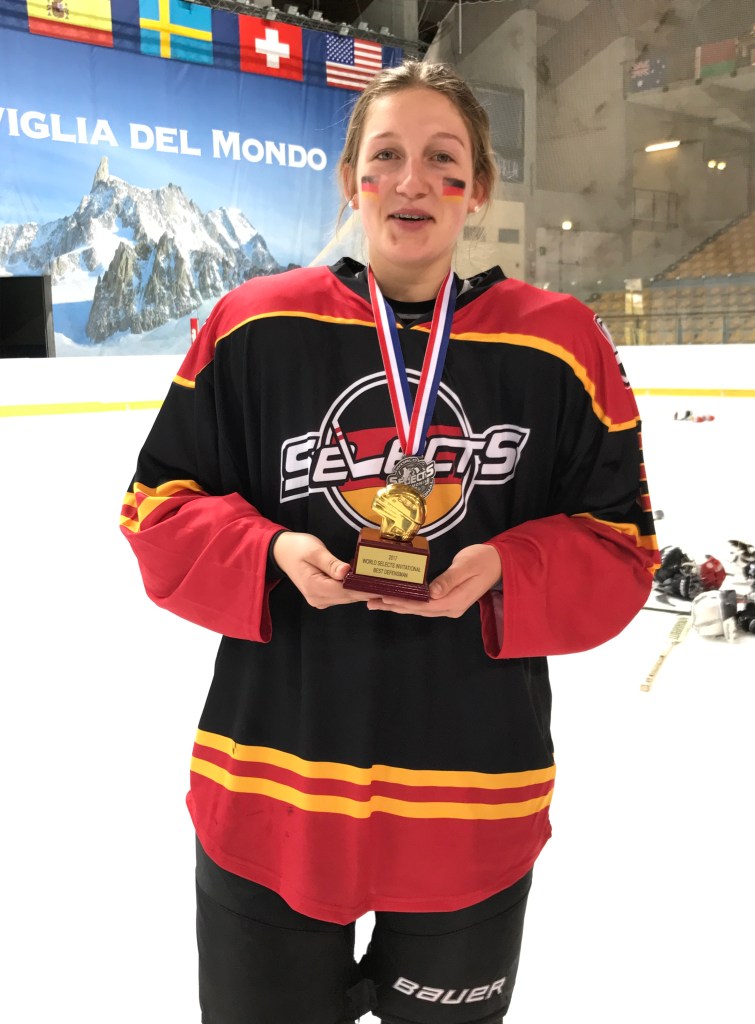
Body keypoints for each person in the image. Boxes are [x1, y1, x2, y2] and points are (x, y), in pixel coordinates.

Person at [120, 60, 659, 1024]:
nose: (413, 181)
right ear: (351, 181)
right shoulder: (253, 326)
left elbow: (620, 547)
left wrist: (507, 566)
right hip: (274, 796)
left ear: (478, 187)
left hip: (472, 805)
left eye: (444, 159)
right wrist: (270, 553)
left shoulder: (561, 344)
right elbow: (157, 508)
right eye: (387, 156)